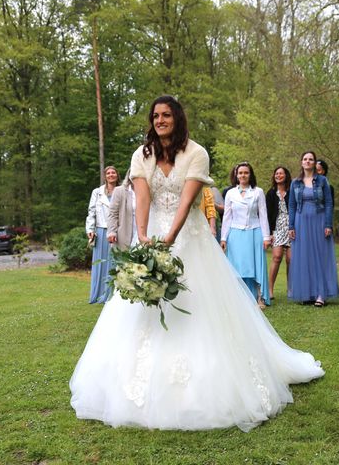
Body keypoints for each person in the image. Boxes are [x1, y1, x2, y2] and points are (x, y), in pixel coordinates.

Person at [70, 96, 324, 432]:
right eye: (155, 116)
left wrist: (171, 237)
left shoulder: (196, 153)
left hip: (188, 235)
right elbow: (143, 196)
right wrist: (143, 236)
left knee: (197, 303)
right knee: (142, 305)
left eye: (166, 115)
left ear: (177, 118)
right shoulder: (142, 154)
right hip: (152, 236)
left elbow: (187, 198)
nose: (160, 120)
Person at [288, 151, 339, 307]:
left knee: (320, 256)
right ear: (301, 162)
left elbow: (329, 203)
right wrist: (291, 226)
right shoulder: (295, 183)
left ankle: (320, 294)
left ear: (315, 162)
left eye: (310, 159)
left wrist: (328, 224)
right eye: (305, 159)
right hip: (300, 220)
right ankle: (307, 292)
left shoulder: (323, 181)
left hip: (319, 219)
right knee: (304, 256)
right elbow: (291, 205)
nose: (308, 161)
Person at [220, 162, 271, 309]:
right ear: (236, 175)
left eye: (246, 173)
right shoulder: (230, 193)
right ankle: (238, 298)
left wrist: (266, 237)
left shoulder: (258, 192)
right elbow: (227, 217)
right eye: (240, 173)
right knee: (238, 265)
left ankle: (259, 297)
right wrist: (223, 238)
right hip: (235, 234)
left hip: (255, 232)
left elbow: (263, 215)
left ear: (250, 175)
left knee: (256, 265)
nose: (243, 175)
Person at [86, 165, 120, 303]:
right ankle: (99, 294)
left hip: (118, 231)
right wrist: (90, 229)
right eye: (108, 173)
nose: (111, 175)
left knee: (114, 263)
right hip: (101, 231)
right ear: (105, 176)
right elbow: (91, 211)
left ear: (117, 175)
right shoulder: (97, 192)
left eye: (113, 173)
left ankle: (113, 294)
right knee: (100, 264)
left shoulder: (123, 190)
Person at [265, 166, 292, 299]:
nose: (278, 176)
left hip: (292, 227)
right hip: (277, 227)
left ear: (286, 176)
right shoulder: (270, 193)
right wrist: (269, 232)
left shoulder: (292, 191)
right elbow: (267, 215)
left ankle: (291, 289)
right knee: (276, 257)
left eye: (281, 174)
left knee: (290, 259)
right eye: (276, 174)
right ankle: (269, 289)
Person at [107, 170, 137, 250]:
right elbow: (113, 214)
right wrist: (112, 232)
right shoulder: (119, 191)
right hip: (124, 235)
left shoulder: (147, 191)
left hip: (143, 235)